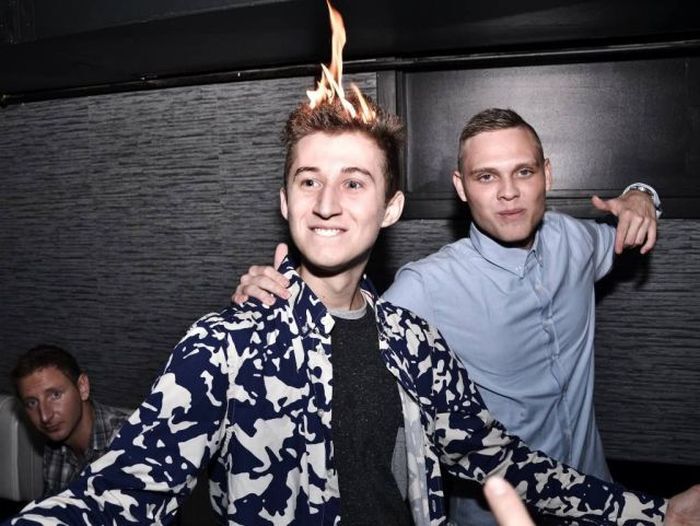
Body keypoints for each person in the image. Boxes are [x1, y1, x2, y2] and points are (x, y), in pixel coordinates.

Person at [7, 93, 699, 526]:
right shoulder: (226, 345)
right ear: (285, 202)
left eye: (355, 182)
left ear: (391, 208)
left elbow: (500, 460)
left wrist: (653, 511)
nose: (329, 203)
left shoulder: (413, 341)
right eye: (309, 181)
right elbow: (122, 490)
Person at [232, 108, 665, 524]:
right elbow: (348, 328)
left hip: (599, 496)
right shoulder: (427, 285)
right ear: (461, 187)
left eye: (524, 172)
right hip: (495, 510)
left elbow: (630, 224)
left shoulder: (575, 240)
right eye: (486, 176)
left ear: (546, 175)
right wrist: (272, 302)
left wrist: (643, 196)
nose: (508, 192)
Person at [10, 345, 131, 497]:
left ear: (82, 387)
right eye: (32, 403)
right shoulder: (54, 445)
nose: (45, 416)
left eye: (55, 395)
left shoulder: (127, 444)